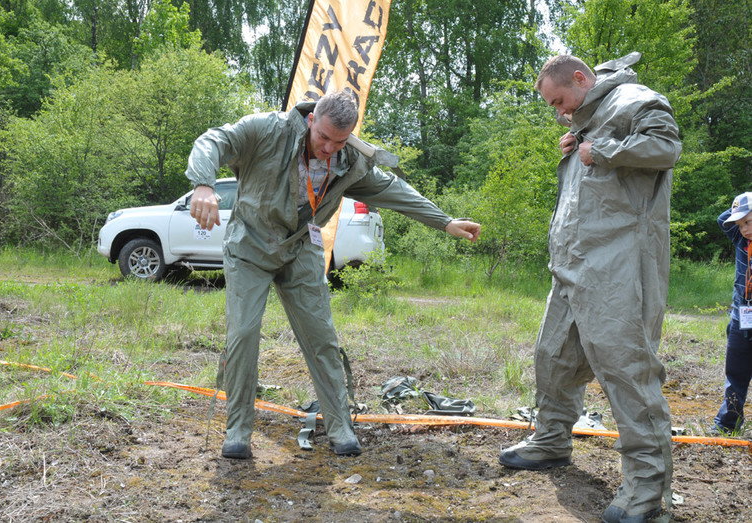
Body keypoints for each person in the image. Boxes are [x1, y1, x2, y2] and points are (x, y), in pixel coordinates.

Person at [185, 88, 481, 460]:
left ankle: (340, 424)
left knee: (322, 337)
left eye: (338, 141)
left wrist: (445, 221)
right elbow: (213, 140)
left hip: (301, 248)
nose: (328, 147)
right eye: (323, 136)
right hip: (250, 247)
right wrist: (203, 184)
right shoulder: (266, 130)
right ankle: (239, 430)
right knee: (243, 334)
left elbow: (393, 190)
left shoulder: (351, 160)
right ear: (311, 121)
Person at [497, 53, 681, 523]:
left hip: (618, 269)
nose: (559, 111)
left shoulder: (634, 100)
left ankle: (645, 489)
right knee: (553, 356)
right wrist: (581, 145)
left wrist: (602, 150)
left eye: (560, 100)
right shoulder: (590, 119)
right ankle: (552, 440)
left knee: (627, 372)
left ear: (581, 79)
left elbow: (665, 146)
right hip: (573, 267)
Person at [712, 192, 752, 436]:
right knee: (735, 373)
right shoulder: (740, 239)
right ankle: (728, 424)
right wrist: (741, 208)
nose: (744, 229)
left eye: (748, 222)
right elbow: (721, 219)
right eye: (740, 224)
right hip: (742, 318)